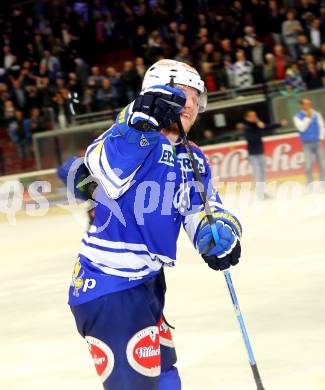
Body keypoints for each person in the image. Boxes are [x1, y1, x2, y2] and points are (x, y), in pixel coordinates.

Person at [67, 59, 242, 390]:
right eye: (181, 94)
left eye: (196, 97)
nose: (190, 103)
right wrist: (137, 126)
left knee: (166, 378)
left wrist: (215, 230)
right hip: (111, 288)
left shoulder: (192, 156)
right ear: (156, 94)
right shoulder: (133, 136)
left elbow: (200, 207)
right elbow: (104, 168)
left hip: (147, 284)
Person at [242, 110, 287, 199]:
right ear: (247, 118)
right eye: (252, 116)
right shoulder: (246, 127)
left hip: (260, 153)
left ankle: (262, 192)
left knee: (263, 174)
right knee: (257, 174)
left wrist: (280, 124)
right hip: (253, 155)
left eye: (255, 115)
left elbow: (268, 127)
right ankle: (260, 194)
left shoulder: (257, 124)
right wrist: (260, 128)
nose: (254, 117)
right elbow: (253, 139)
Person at [293, 98, 325, 189]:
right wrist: (308, 117)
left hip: (317, 142)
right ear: (301, 105)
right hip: (306, 144)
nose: (309, 106)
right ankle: (310, 185)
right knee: (308, 166)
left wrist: (320, 138)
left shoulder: (316, 114)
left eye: (309, 104)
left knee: (322, 165)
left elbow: (321, 126)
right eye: (306, 104)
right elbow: (302, 128)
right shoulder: (297, 116)